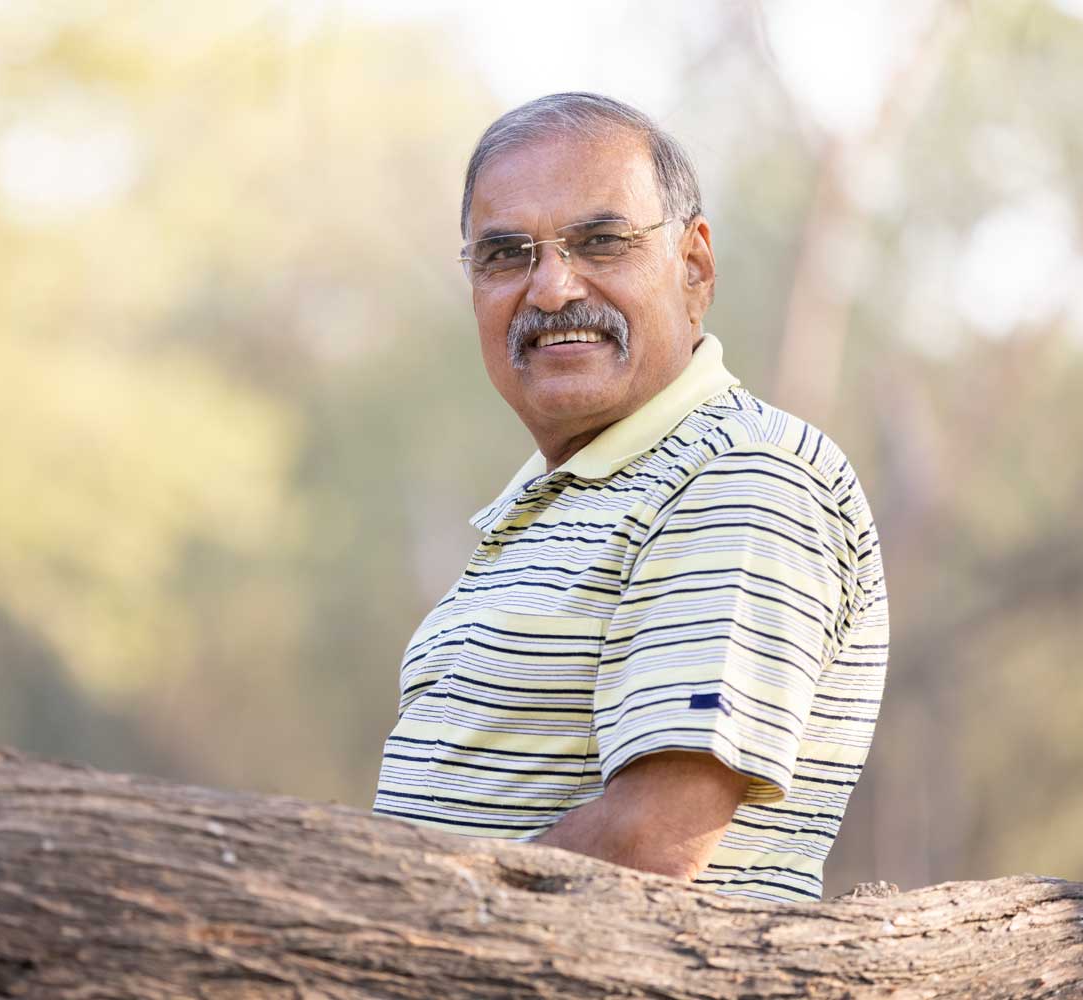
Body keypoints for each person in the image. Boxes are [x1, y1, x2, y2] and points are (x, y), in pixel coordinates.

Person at [372, 93, 889, 903]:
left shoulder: (742, 475)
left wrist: (390, 929)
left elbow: (651, 845)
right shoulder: (562, 496)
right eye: (505, 254)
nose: (551, 289)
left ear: (695, 268)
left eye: (601, 241)